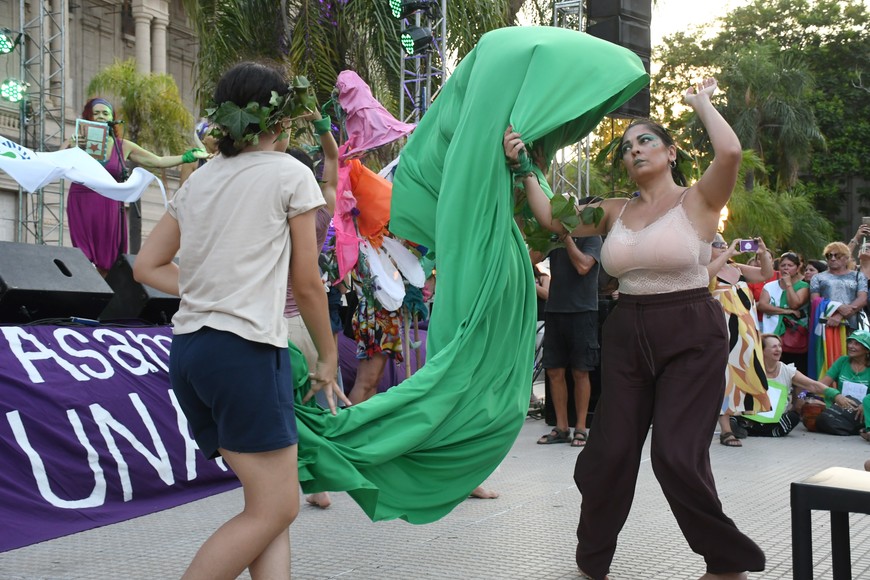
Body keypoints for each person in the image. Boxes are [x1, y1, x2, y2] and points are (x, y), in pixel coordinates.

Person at [504, 77, 765, 580]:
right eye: (626, 147)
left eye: (646, 140)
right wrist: (526, 168)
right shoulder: (614, 213)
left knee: (675, 455)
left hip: (691, 331)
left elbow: (729, 151)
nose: (634, 150)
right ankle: (591, 562)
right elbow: (552, 221)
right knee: (607, 456)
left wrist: (701, 104)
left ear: (669, 153)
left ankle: (726, 561)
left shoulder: (699, 200)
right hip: (626, 331)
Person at [132, 61, 348, 580]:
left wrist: (212, 288)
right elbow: (307, 281)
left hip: (190, 353)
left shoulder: (202, 180)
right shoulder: (290, 174)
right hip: (246, 353)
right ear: (282, 116)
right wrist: (328, 354)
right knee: (275, 507)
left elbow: (146, 266)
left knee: (268, 504)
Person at [66, 97, 206, 276]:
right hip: (83, 201)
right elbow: (56, 162)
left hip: (109, 204)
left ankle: (106, 297)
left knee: (107, 262)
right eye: (96, 113)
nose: (101, 116)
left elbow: (158, 160)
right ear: (88, 117)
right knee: (84, 258)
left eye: (105, 113)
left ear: (112, 118)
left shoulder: (122, 146)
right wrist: (71, 146)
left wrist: (186, 157)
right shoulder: (78, 142)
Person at [283, 105, 340, 510]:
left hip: (273, 321)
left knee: (280, 406)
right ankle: (318, 482)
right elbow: (334, 158)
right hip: (310, 318)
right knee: (317, 401)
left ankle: (285, 480)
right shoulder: (321, 211)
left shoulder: (270, 210)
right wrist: (318, 121)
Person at [707, 235, 773, 448]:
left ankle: (737, 418)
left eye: (724, 244)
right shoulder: (705, 270)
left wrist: (762, 253)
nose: (724, 247)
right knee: (724, 378)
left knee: (744, 377)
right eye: (718, 245)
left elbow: (766, 274)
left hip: (747, 336)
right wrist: (727, 253)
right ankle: (725, 430)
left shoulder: (737, 268)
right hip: (721, 334)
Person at [536, 234, 602, 448]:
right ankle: (562, 427)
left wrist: (566, 239)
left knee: (580, 371)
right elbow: (531, 257)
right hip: (555, 310)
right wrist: (542, 235)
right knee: (554, 370)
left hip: (583, 311)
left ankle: (581, 428)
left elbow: (583, 266)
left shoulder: (592, 238)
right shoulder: (555, 236)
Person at [731, 334, 828, 437]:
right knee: (732, 416)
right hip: (751, 416)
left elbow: (813, 385)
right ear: (762, 350)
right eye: (774, 347)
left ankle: (752, 430)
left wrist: (835, 395)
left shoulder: (788, 371)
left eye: (779, 346)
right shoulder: (750, 369)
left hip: (776, 420)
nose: (778, 349)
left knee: (794, 417)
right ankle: (761, 429)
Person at [757, 252, 810, 373]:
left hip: (794, 336)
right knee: (770, 368)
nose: (786, 268)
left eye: (790, 265)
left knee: (795, 370)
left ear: (797, 267)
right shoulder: (770, 286)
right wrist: (786, 311)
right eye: (783, 265)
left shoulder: (804, 286)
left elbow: (795, 304)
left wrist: (789, 285)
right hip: (771, 333)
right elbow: (763, 305)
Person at [815, 330, 870, 437]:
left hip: (864, 410)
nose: (851, 346)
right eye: (850, 342)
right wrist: (836, 395)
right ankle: (858, 430)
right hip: (842, 406)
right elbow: (822, 385)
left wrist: (865, 405)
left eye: (857, 343)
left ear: (867, 349)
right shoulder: (843, 361)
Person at [810, 241, 868, 332]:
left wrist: (840, 316)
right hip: (825, 325)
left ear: (846, 258)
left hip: (853, 326)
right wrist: (838, 307)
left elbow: (863, 299)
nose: (833, 258)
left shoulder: (858, 276)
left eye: (837, 256)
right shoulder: (817, 277)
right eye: (829, 255)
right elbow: (815, 300)